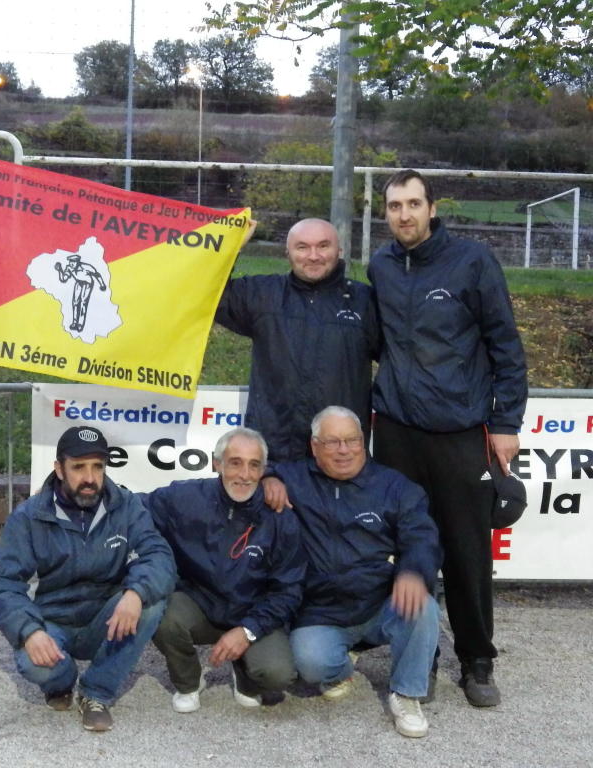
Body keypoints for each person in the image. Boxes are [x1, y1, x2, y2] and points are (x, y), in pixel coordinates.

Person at [369, 170, 528, 707]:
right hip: (396, 432)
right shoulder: (382, 265)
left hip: (461, 432)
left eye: (414, 203)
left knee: (466, 551)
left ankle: (477, 660)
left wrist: (505, 425)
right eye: (394, 206)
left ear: (432, 208)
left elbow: (505, 344)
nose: (404, 214)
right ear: (385, 212)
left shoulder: (472, 260)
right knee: (410, 549)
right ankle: (422, 656)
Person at [0, 426, 176, 732]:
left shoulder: (125, 505)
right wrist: (30, 631)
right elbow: (2, 584)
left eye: (97, 466)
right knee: (33, 663)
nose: (90, 477)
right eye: (78, 467)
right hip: (54, 620)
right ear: (59, 469)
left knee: (152, 601)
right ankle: (60, 683)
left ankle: (96, 693)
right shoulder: (30, 516)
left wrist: (135, 593)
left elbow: (160, 557)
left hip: (106, 621)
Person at [274, 406, 441, 739]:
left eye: (352, 440)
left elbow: (423, 537)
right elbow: (249, 466)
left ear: (363, 442)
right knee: (310, 664)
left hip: (380, 603)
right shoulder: (293, 478)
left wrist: (413, 573)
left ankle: (406, 694)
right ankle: (341, 666)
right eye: (333, 442)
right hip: (321, 610)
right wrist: (268, 479)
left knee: (424, 605)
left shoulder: (394, 486)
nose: (344, 450)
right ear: (315, 446)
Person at [145, 427, 305, 713]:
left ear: (263, 471)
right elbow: (132, 507)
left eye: (253, 465)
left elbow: (289, 590)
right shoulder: (185, 498)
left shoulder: (280, 517)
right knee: (158, 612)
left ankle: (246, 676)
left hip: (254, 613)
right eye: (235, 462)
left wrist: (248, 630)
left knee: (278, 674)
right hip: (200, 604)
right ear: (216, 463)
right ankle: (189, 683)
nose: (244, 474)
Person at [214, 217, 379, 467]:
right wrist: (231, 247)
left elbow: (399, 358)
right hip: (275, 453)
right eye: (302, 247)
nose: (313, 256)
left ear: (340, 250)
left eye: (323, 246)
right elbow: (208, 293)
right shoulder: (263, 295)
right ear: (288, 252)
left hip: (338, 455)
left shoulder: (366, 302)